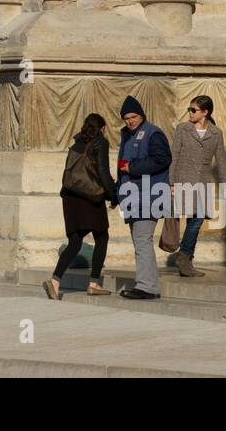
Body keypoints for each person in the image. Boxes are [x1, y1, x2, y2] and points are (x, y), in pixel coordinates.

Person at [44, 114, 118, 299]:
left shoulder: (76, 143)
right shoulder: (100, 143)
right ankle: (93, 283)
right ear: (101, 128)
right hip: (90, 197)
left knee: (75, 242)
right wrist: (113, 195)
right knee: (102, 237)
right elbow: (102, 171)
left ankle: (55, 282)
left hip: (70, 198)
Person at [168, 95, 226, 278]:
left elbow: (221, 160)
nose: (190, 113)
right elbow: (174, 155)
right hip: (182, 179)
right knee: (188, 219)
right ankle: (185, 258)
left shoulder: (216, 133)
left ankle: (185, 258)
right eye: (189, 109)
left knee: (196, 220)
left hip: (203, 182)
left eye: (193, 110)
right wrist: (171, 183)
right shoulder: (182, 129)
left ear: (205, 112)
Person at [116, 96, 171, 300]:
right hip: (133, 196)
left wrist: (133, 167)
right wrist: (116, 193)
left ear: (142, 115)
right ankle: (148, 285)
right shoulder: (127, 136)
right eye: (126, 118)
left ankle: (147, 286)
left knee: (142, 240)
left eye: (134, 116)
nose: (130, 121)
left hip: (150, 195)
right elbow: (122, 170)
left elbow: (163, 159)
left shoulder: (153, 133)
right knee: (140, 240)